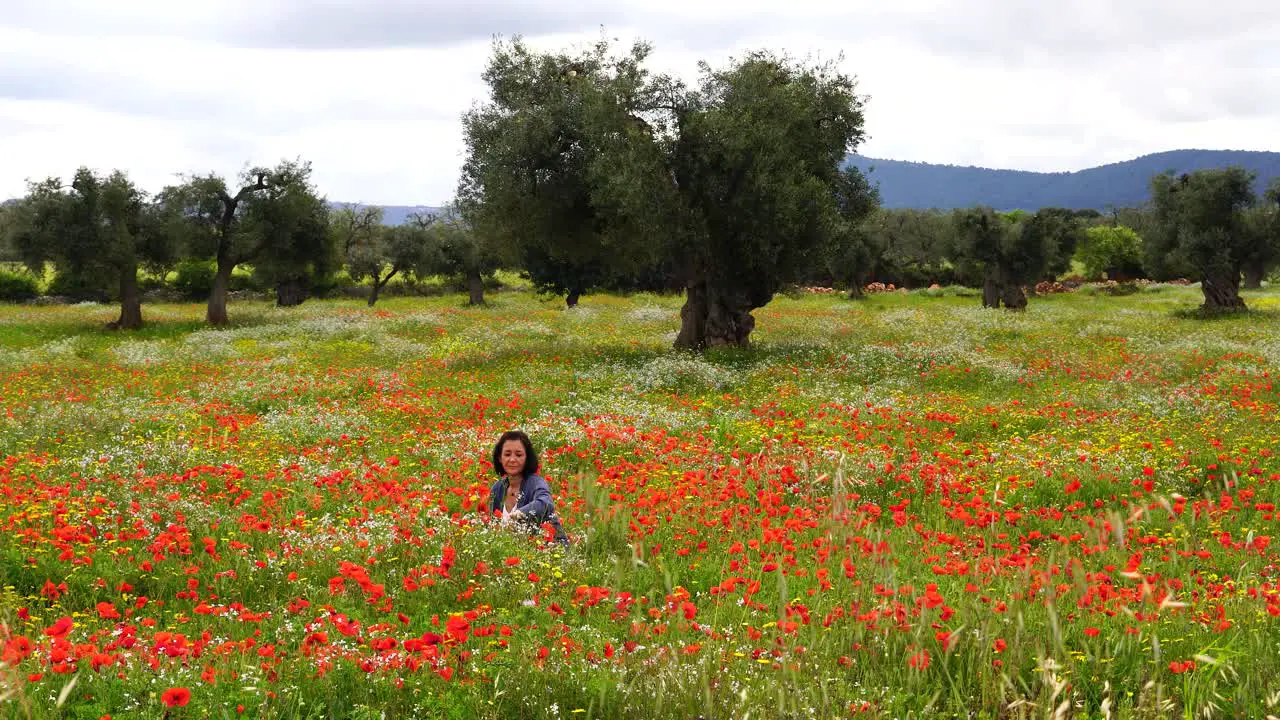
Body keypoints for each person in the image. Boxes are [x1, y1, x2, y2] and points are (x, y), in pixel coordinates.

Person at [488, 430, 569, 546]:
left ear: (527, 458)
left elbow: (546, 504)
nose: (512, 459)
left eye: (519, 455)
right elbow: (494, 526)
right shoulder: (497, 489)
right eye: (507, 454)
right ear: (500, 458)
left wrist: (519, 514)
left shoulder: (536, 483)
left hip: (547, 550)